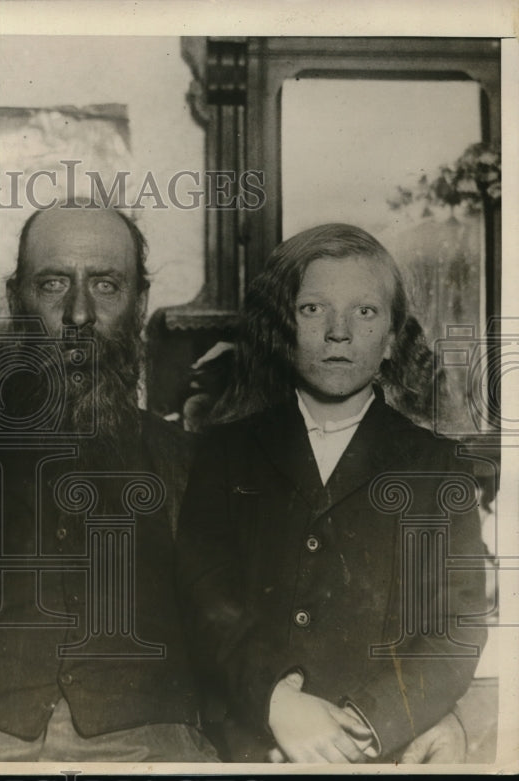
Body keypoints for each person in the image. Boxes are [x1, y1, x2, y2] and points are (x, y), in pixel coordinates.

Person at [0, 203, 219, 762]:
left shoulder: (187, 461)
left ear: (139, 302)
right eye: (52, 285)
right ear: (18, 299)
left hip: (148, 751)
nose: (79, 314)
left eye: (106, 286)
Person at [176, 223, 488, 763]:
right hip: (246, 745)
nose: (339, 332)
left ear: (392, 337)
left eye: (365, 312)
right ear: (284, 329)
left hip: (378, 751)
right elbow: (206, 600)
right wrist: (275, 703)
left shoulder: (438, 470)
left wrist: (365, 726)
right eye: (313, 310)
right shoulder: (226, 453)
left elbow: (454, 629)